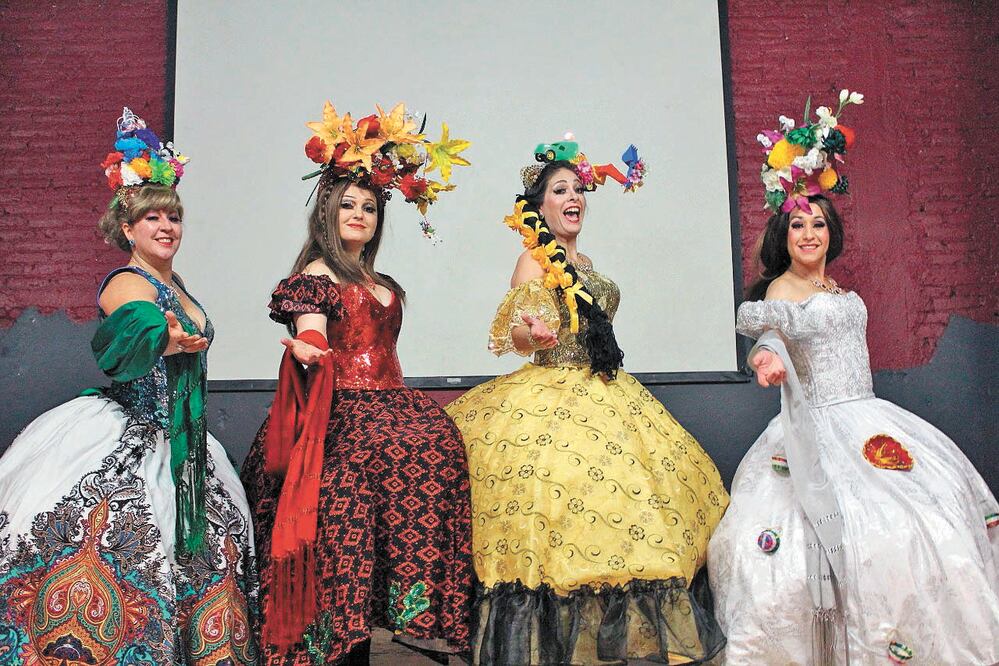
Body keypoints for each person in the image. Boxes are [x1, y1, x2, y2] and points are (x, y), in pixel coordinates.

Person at [707, 90, 999, 664]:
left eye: (818, 224)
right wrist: (766, 359)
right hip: (818, 426)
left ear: (830, 232)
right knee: (846, 534)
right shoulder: (782, 289)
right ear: (782, 236)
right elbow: (770, 336)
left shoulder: (833, 287)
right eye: (797, 225)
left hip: (869, 416)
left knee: (923, 519)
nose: (808, 234)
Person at [445, 139, 729, 665]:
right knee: (558, 511)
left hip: (607, 390)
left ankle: (610, 638)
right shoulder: (533, 259)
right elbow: (516, 330)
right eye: (560, 190)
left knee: (620, 511)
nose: (573, 197)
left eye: (578, 189)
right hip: (551, 394)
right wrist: (535, 334)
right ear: (539, 205)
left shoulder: (587, 262)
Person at [0, 107, 257, 664]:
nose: (167, 227)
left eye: (174, 217)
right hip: (131, 434)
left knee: (210, 550)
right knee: (123, 540)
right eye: (153, 218)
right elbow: (132, 326)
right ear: (128, 229)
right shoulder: (125, 281)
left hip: (186, 438)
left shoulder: (178, 283)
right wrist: (165, 337)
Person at [239, 101, 474, 665]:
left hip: (392, 405)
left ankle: (411, 615)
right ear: (327, 211)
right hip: (340, 413)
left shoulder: (381, 279)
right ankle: (342, 639)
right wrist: (309, 348)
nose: (359, 214)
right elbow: (313, 330)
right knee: (347, 512)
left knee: (439, 447)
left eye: (369, 207)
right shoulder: (316, 275)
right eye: (347, 204)